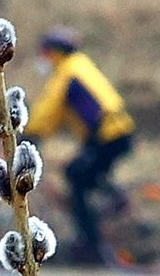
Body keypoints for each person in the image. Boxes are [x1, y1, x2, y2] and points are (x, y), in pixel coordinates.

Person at [26, 27, 135, 263]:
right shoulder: (78, 65)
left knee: (75, 177)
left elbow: (48, 110)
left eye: (45, 52)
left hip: (108, 135)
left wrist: (28, 133)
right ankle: (109, 205)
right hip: (113, 133)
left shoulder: (67, 73)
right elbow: (54, 114)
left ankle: (91, 242)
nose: (42, 58)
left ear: (55, 52)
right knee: (81, 175)